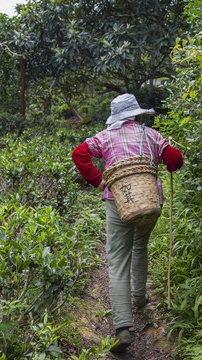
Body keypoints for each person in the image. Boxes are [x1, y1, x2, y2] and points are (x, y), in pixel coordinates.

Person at [71, 93, 183, 352]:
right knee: (140, 246)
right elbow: (175, 160)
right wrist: (166, 157)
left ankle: (122, 328)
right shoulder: (151, 135)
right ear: (136, 114)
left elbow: (79, 154)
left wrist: (98, 181)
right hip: (150, 200)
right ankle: (140, 297)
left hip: (118, 201)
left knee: (118, 261)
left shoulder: (105, 137)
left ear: (115, 116)